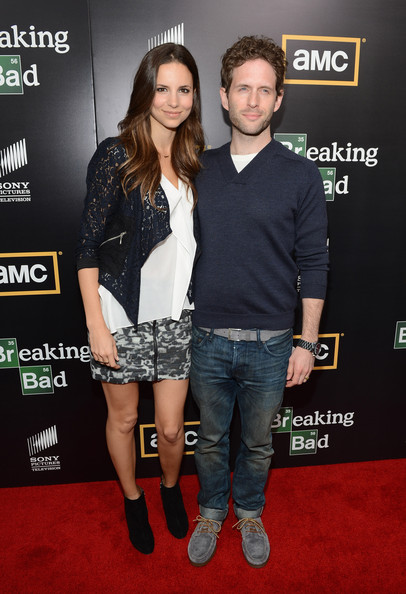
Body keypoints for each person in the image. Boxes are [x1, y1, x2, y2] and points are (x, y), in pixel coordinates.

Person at [187, 35, 329, 568]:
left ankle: (248, 511)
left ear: (278, 99)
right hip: (206, 340)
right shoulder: (196, 169)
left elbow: (314, 262)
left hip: (272, 346)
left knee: (259, 445)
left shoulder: (300, 174)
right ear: (223, 96)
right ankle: (210, 510)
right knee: (209, 441)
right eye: (242, 88)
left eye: (263, 90)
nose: (252, 100)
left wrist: (307, 342)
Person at [76, 43, 204, 555]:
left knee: (171, 429)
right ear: (145, 92)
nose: (173, 101)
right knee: (126, 420)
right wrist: (96, 326)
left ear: (195, 95)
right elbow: (86, 246)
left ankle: (170, 489)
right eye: (162, 88)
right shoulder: (116, 153)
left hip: (177, 317)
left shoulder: (195, 159)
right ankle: (132, 498)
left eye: (184, 89)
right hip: (121, 313)